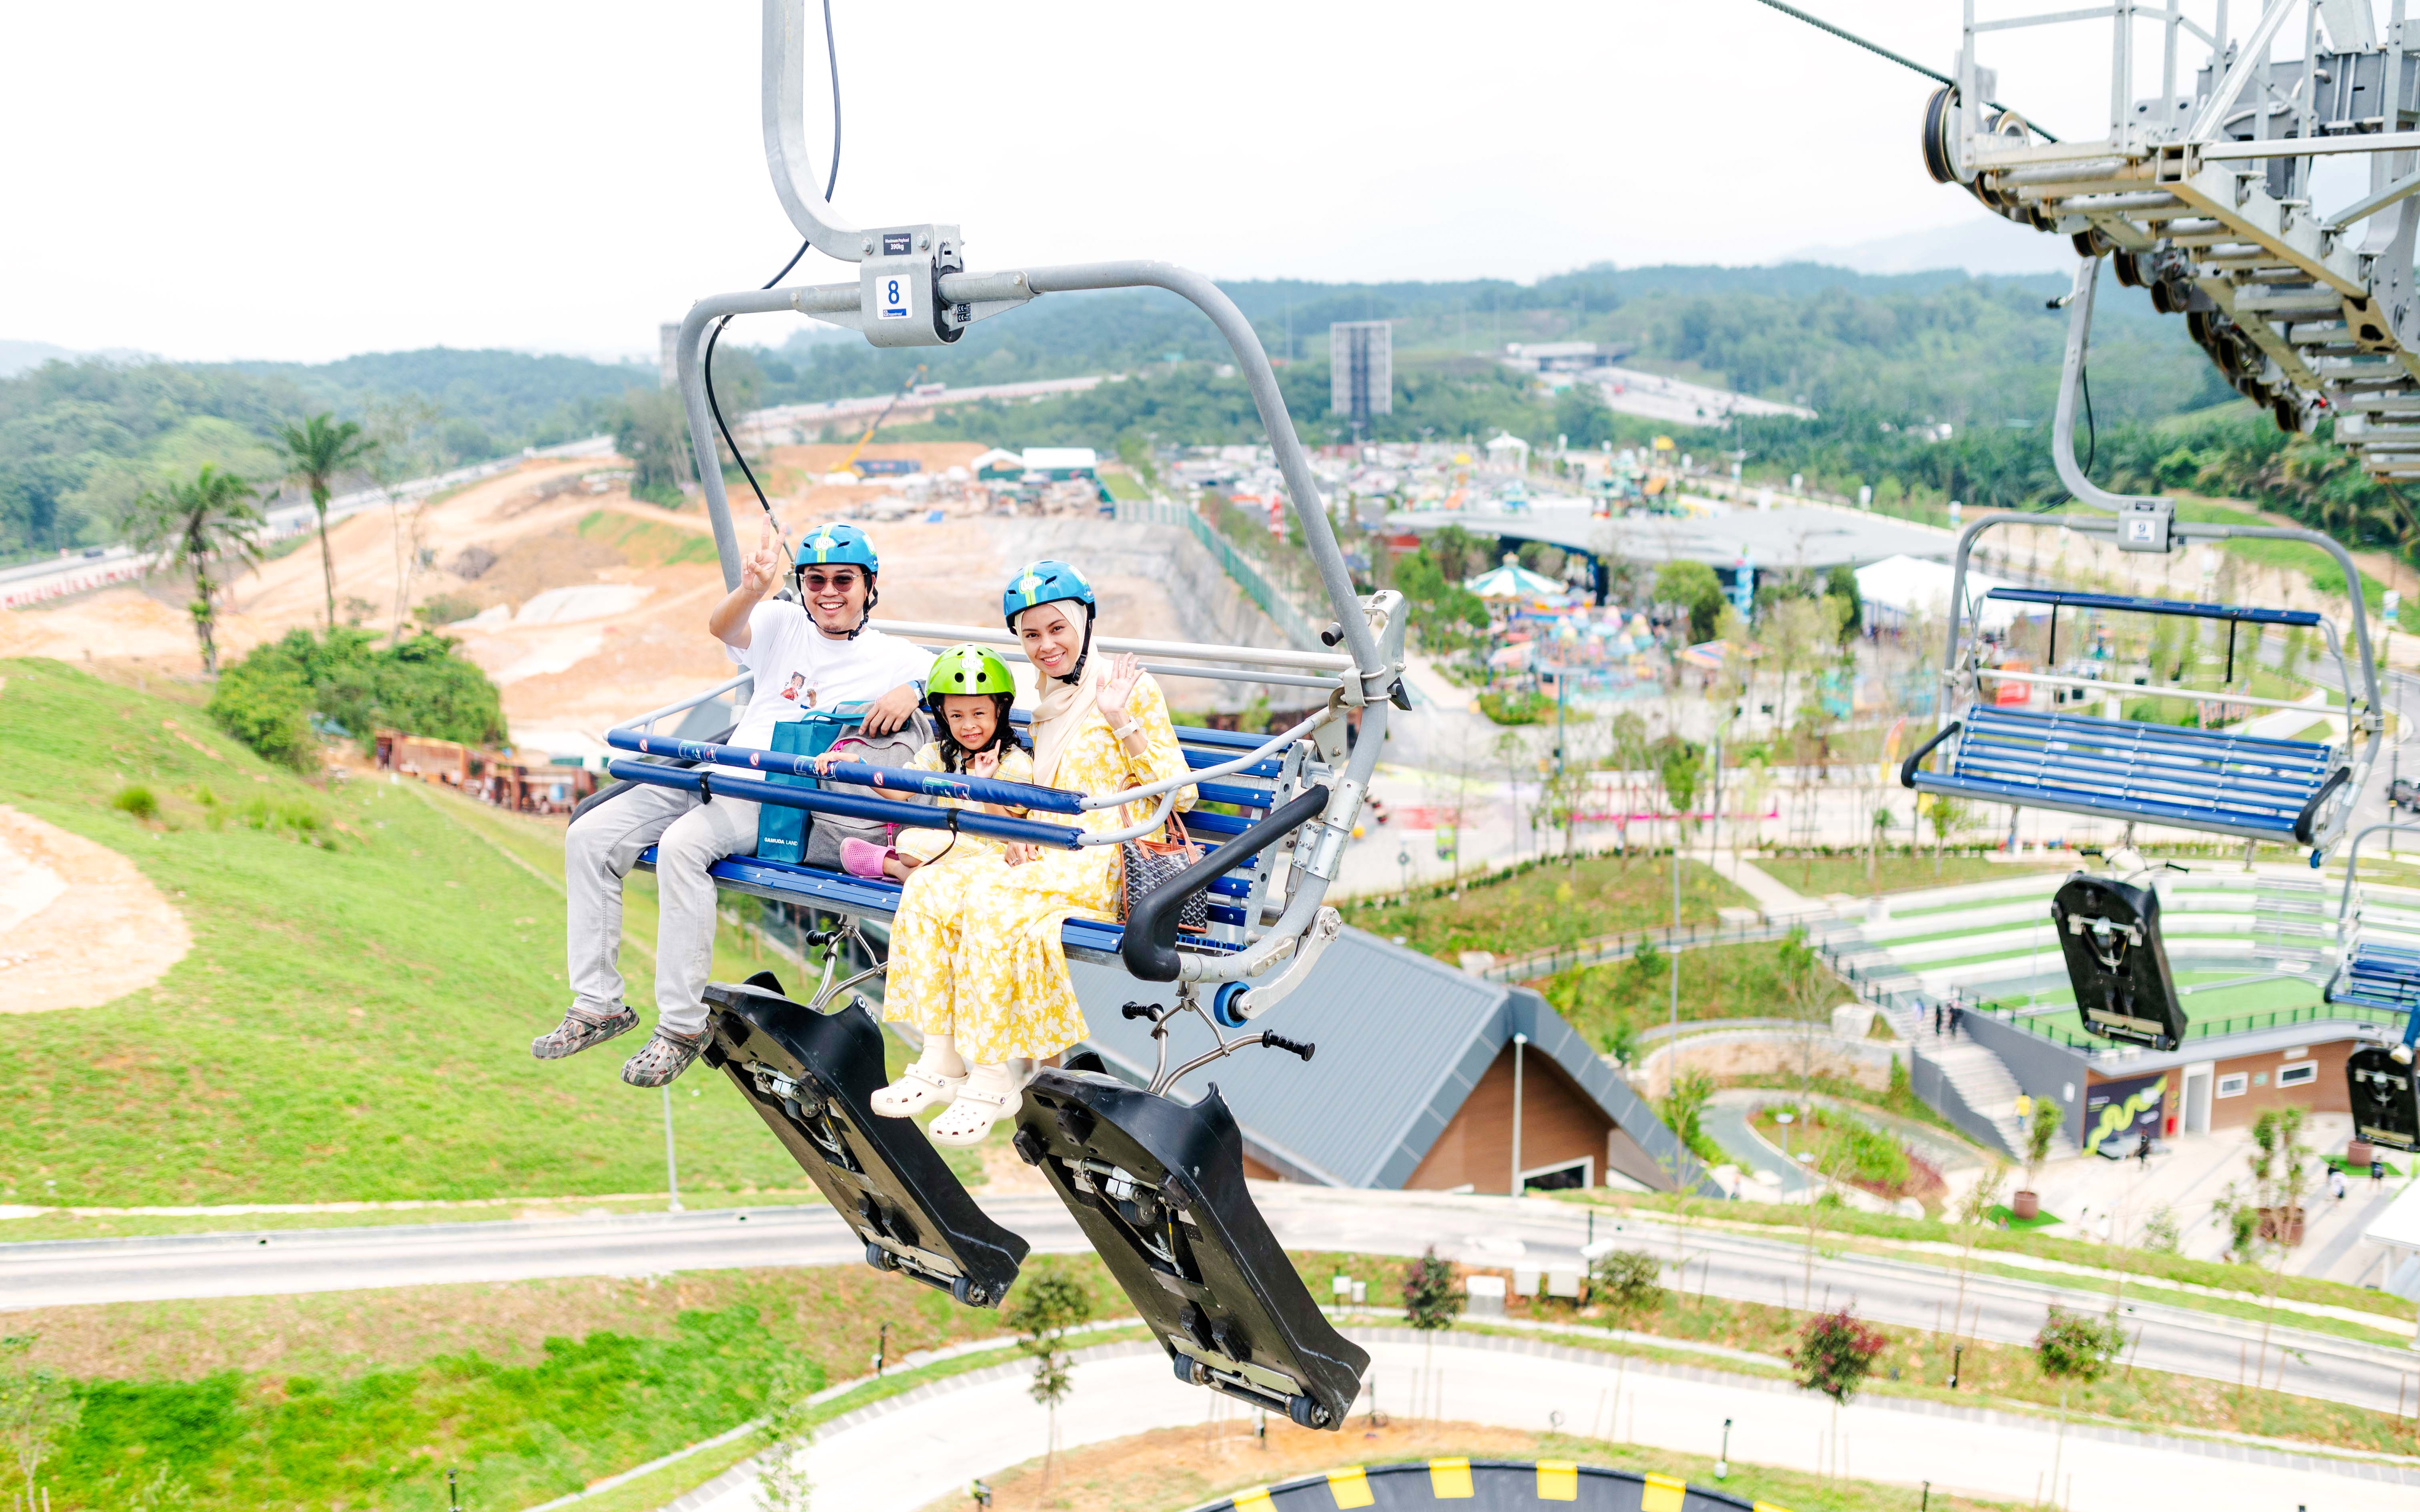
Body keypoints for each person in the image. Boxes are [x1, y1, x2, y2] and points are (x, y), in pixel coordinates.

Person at [533, 520, 931, 1086]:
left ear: (869, 587)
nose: (830, 593)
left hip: (771, 791)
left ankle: (682, 1023)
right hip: (719, 767)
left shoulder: (893, 656)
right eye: (816, 580)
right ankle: (599, 1002)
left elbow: (949, 677)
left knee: (683, 847)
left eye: (845, 580)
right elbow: (724, 626)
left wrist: (911, 691)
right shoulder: (782, 622)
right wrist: (751, 588)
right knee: (589, 836)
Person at [875, 560, 1194, 1144]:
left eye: (1057, 629)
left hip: (1100, 855)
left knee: (992, 900)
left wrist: (1121, 720)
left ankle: (997, 1073)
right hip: (1046, 847)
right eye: (1031, 635)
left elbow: (1183, 792)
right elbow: (971, 691)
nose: (1046, 645)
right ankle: (941, 1056)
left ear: (1083, 623)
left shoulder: (1126, 689)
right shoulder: (1047, 695)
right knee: (932, 888)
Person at [815, 642, 1033, 885]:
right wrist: (856, 765)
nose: (969, 725)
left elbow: (1010, 833)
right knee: (909, 842)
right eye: (957, 716)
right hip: (947, 847)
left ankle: (894, 868)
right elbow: (898, 791)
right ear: (943, 715)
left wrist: (982, 785)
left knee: (925, 854)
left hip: (997, 854)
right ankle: (925, 873)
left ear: (1000, 710)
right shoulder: (939, 754)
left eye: (979, 713)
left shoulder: (1016, 763)